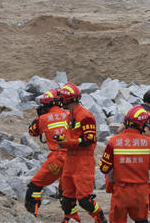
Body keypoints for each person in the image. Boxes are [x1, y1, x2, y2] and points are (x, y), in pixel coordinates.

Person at [99, 106, 150, 223]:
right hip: (141, 192)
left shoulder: (114, 141)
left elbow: (104, 168)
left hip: (120, 192)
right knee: (141, 220)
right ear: (142, 124)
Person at [57, 83, 107, 223]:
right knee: (66, 197)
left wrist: (68, 142)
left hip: (83, 161)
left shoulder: (85, 116)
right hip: (70, 159)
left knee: (84, 199)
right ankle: (71, 219)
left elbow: (88, 140)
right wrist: (62, 139)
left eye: (62, 98)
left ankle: (100, 219)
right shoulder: (70, 115)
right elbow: (69, 134)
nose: (60, 101)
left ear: (69, 99)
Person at [25, 88, 73, 218]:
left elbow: (32, 132)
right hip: (73, 159)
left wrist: (38, 117)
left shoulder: (44, 118)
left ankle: (31, 216)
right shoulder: (70, 114)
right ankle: (70, 218)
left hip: (57, 158)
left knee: (34, 186)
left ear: (47, 104)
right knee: (65, 192)